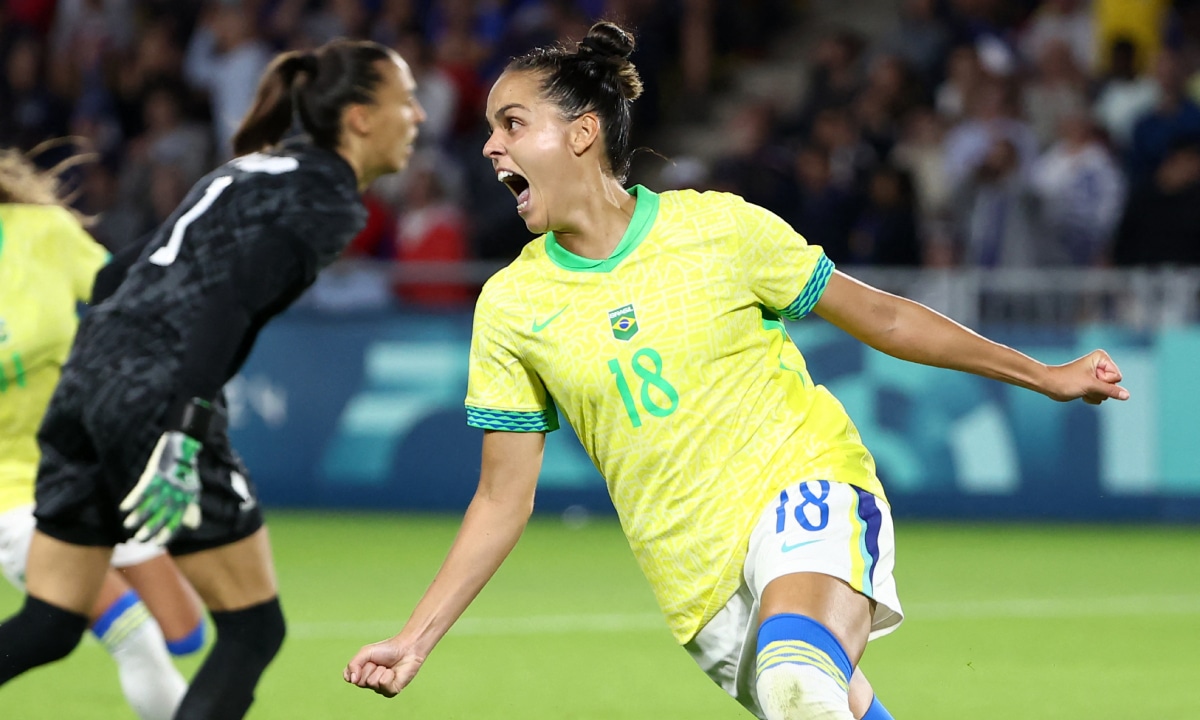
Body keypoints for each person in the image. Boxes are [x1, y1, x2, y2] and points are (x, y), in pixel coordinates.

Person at [344, 22, 1129, 720]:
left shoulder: (718, 227)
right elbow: (500, 498)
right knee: (815, 701)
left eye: (511, 123)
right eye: (490, 128)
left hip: (804, 486)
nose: (489, 146)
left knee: (796, 675)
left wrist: (1047, 375)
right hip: (699, 588)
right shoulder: (513, 305)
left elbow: (884, 318)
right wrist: (416, 638)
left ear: (582, 134)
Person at [0, 37, 426, 720]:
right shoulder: (326, 199)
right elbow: (228, 300)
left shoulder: (251, 169)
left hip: (85, 385)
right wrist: (183, 429)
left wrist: (104, 383)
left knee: (50, 623)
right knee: (255, 630)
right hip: (158, 399)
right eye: (405, 99)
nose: (420, 115)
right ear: (359, 118)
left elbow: (114, 278)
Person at [0, 146, 206, 720]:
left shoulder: (40, 231)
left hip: (84, 464)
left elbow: (122, 290)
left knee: (185, 631)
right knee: (132, 636)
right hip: (9, 495)